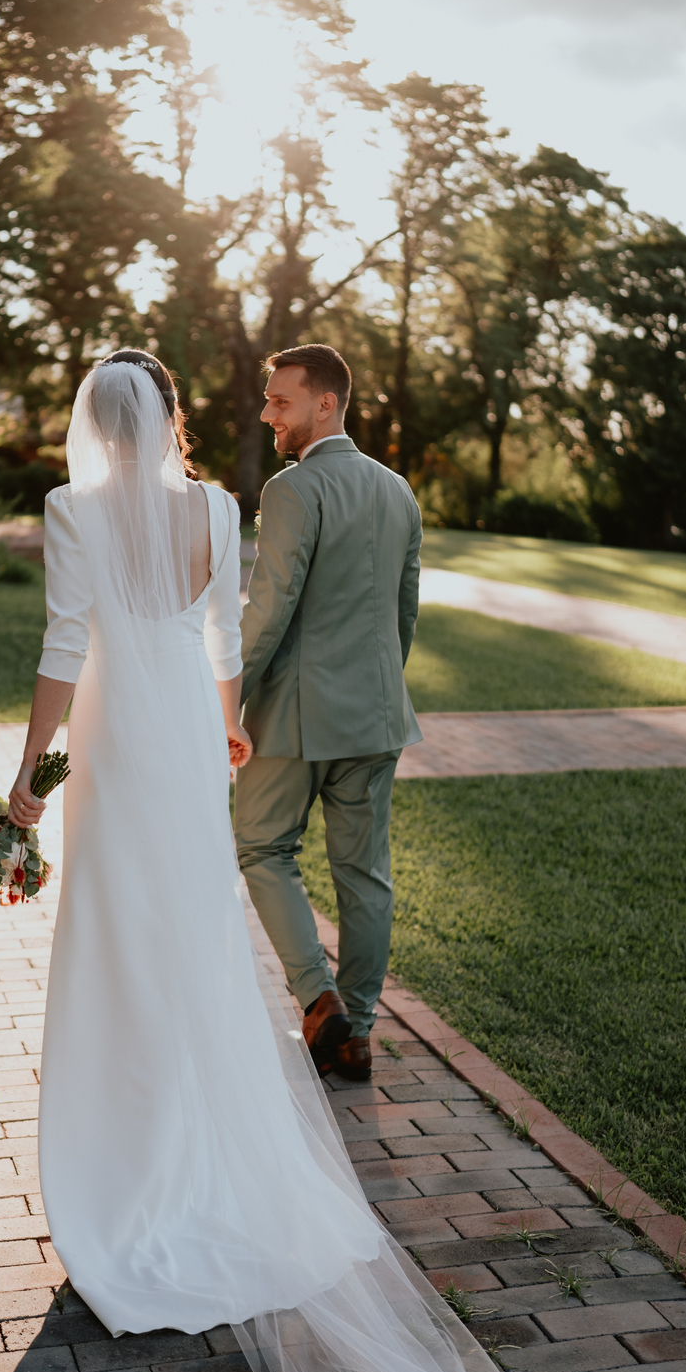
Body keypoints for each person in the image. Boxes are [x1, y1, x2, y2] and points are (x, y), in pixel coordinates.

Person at [7, 349, 686, 1372]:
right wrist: (233, 724)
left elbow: (66, 644)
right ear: (175, 420)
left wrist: (32, 771)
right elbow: (215, 632)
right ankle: (225, 1130)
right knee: (195, 942)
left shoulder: (74, 511)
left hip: (129, 743)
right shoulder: (218, 508)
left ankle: (125, 1172)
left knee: (119, 944)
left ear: (94, 427)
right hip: (191, 733)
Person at [235, 344, 422, 1084]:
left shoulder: (292, 489)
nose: (267, 413)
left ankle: (319, 1003)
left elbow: (269, 607)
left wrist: (227, 701)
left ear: (326, 404)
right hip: (376, 716)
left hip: (294, 718)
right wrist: (378, 689)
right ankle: (359, 1031)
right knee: (364, 876)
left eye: (280, 401)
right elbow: (403, 611)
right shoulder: (397, 490)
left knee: (260, 848)